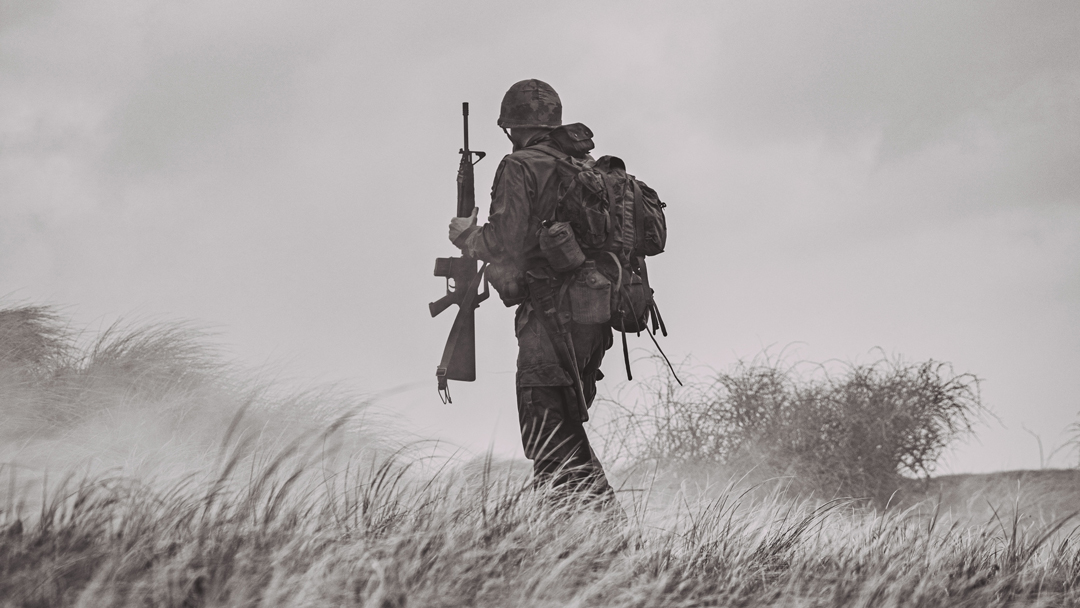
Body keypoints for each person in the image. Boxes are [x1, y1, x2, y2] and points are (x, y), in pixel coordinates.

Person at [447, 79, 616, 504]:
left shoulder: (520, 165)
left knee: (547, 432)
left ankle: (592, 530)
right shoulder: (584, 165)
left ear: (511, 126)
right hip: (593, 317)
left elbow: (506, 240)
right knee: (562, 427)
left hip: (550, 316)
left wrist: (468, 236)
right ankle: (585, 531)